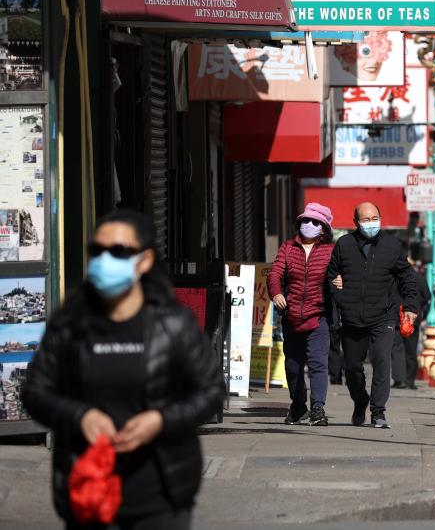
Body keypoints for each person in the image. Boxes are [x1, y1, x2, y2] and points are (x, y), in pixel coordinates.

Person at [22, 209, 224, 530]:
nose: (105, 260)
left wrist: (161, 420)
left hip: (161, 493)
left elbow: (211, 391)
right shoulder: (70, 324)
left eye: (118, 252)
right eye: (97, 251)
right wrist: (80, 416)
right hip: (90, 491)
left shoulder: (172, 324)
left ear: (144, 261)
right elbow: (34, 391)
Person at [327, 202, 422, 429]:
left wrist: (411, 307)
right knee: (351, 368)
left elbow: (407, 277)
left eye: (374, 218)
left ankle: (378, 412)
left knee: (381, 361)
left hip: (383, 316)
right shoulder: (344, 245)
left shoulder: (392, 246)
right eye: (365, 219)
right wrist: (337, 291)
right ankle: (360, 401)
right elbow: (331, 274)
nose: (371, 223)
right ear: (356, 222)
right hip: (351, 317)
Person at [268, 202, 336, 426]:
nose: (309, 225)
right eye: (305, 220)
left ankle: (318, 408)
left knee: (318, 363)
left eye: (315, 222)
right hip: (291, 316)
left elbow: (340, 276)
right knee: (293, 366)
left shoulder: (331, 251)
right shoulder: (288, 247)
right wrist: (276, 293)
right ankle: (298, 406)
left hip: (319, 317)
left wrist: (340, 282)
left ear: (323, 228)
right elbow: (275, 273)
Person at [391, 256, 430, 390]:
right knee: (411, 350)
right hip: (413, 318)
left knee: (397, 349)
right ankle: (410, 381)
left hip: (396, 318)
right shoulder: (419, 277)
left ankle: (398, 379)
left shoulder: (395, 278)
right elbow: (427, 296)